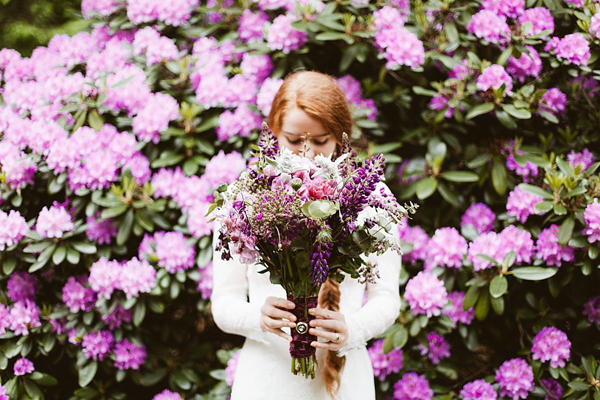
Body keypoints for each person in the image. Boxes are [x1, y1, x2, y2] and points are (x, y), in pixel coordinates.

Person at [211, 71, 402, 400]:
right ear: (273, 133)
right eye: (294, 140)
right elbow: (223, 302)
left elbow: (386, 297)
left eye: (320, 140)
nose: (307, 153)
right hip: (266, 380)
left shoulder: (373, 199)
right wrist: (258, 318)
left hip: (344, 381)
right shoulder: (247, 197)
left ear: (342, 137)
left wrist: (351, 330)